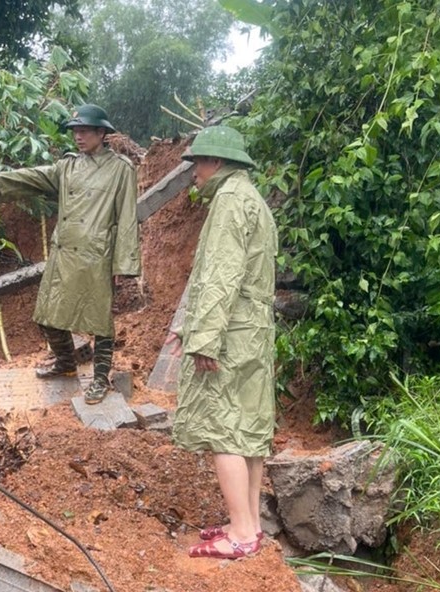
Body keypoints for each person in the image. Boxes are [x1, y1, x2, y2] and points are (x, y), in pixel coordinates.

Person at [0, 104, 140, 404]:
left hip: (97, 256)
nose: (78, 136)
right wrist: (0, 180)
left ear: (102, 133)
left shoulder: (120, 169)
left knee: (99, 321)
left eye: (85, 130)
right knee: (47, 314)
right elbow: (37, 177)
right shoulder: (69, 166)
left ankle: (100, 379)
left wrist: (122, 264)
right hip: (64, 253)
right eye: (75, 131)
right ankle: (66, 363)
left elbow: (127, 218)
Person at [165, 125, 277, 559]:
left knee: (223, 427)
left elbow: (221, 276)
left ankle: (243, 536)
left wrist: (205, 338)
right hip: (252, 330)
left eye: (197, 163)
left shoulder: (229, 202)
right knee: (246, 425)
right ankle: (248, 522)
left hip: (229, 333)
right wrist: (188, 328)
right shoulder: (253, 199)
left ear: (216, 163)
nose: (194, 172)